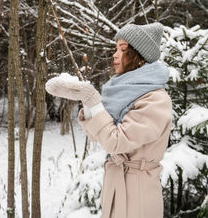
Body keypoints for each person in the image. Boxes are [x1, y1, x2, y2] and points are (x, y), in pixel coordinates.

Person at [45, 22, 173, 218]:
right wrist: (87, 103)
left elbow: (116, 141)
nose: (115, 54)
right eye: (115, 48)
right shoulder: (123, 92)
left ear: (140, 57)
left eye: (123, 49)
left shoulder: (155, 99)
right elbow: (99, 136)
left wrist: (93, 101)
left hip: (138, 192)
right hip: (117, 184)